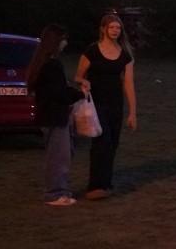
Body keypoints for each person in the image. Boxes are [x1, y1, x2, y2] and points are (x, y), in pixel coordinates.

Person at [75, 13, 137, 200]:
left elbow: (128, 83)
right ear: (103, 29)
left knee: (112, 144)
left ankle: (106, 184)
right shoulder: (92, 51)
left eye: (118, 28)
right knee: (102, 142)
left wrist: (133, 112)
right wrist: (83, 82)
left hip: (115, 104)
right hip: (96, 103)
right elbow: (78, 75)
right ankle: (95, 186)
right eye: (111, 27)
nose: (115, 30)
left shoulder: (125, 55)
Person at [28, 24, 84, 205]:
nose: (65, 43)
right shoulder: (51, 65)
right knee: (59, 156)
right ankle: (55, 193)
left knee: (64, 153)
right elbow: (58, 93)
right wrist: (79, 94)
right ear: (56, 41)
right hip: (54, 116)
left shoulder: (43, 63)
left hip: (52, 115)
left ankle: (60, 190)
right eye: (63, 39)